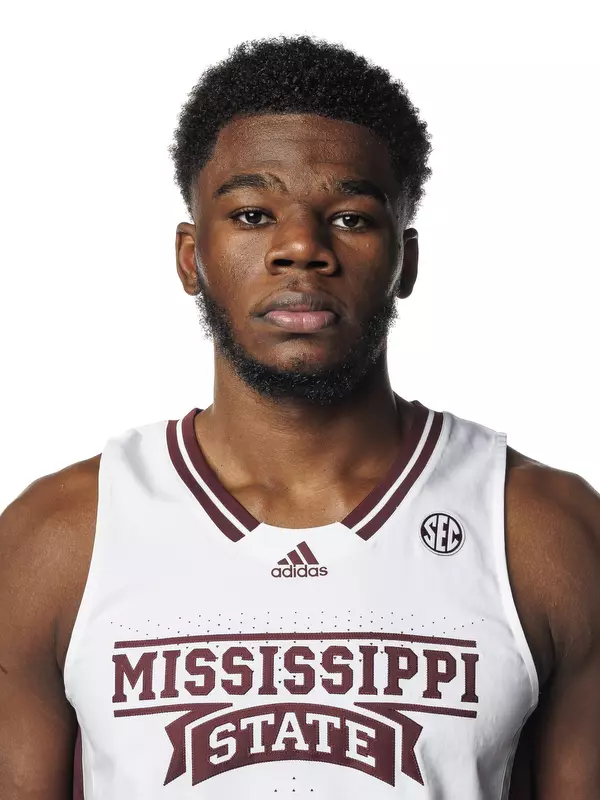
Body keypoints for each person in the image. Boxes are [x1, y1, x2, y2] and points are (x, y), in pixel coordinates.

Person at [0, 33, 599, 800]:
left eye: (350, 218)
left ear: (405, 261)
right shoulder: (60, 537)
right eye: (252, 214)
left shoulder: (545, 530)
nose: (300, 247)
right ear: (191, 257)